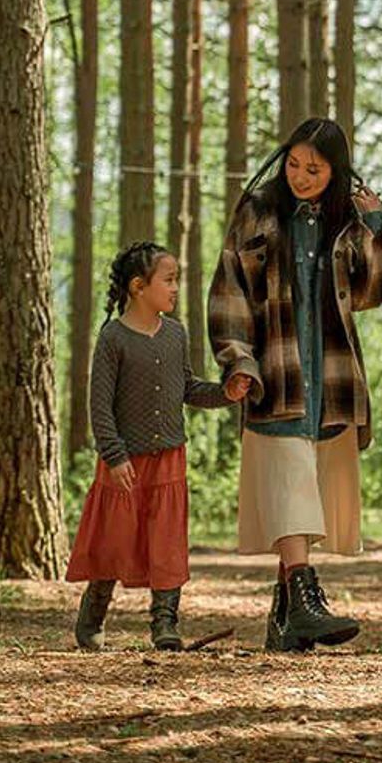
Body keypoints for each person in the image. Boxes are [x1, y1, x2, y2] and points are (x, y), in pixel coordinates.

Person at [210, 117, 382, 652]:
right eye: (294, 164)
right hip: (274, 372)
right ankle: (306, 597)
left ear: (335, 170)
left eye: (314, 169)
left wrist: (380, 229)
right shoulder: (258, 211)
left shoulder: (349, 220)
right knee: (290, 479)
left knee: (307, 488)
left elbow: (376, 290)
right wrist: (236, 360)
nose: (301, 175)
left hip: (332, 376)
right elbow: (230, 288)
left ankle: (284, 620)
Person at [67, 241, 247, 650]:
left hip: (169, 456)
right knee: (114, 539)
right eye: (168, 280)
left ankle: (164, 622)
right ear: (138, 286)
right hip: (124, 459)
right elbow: (100, 405)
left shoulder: (176, 334)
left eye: (177, 280)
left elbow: (187, 388)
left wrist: (226, 393)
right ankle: (93, 613)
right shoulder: (113, 338)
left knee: (166, 541)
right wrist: (113, 455)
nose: (175, 288)